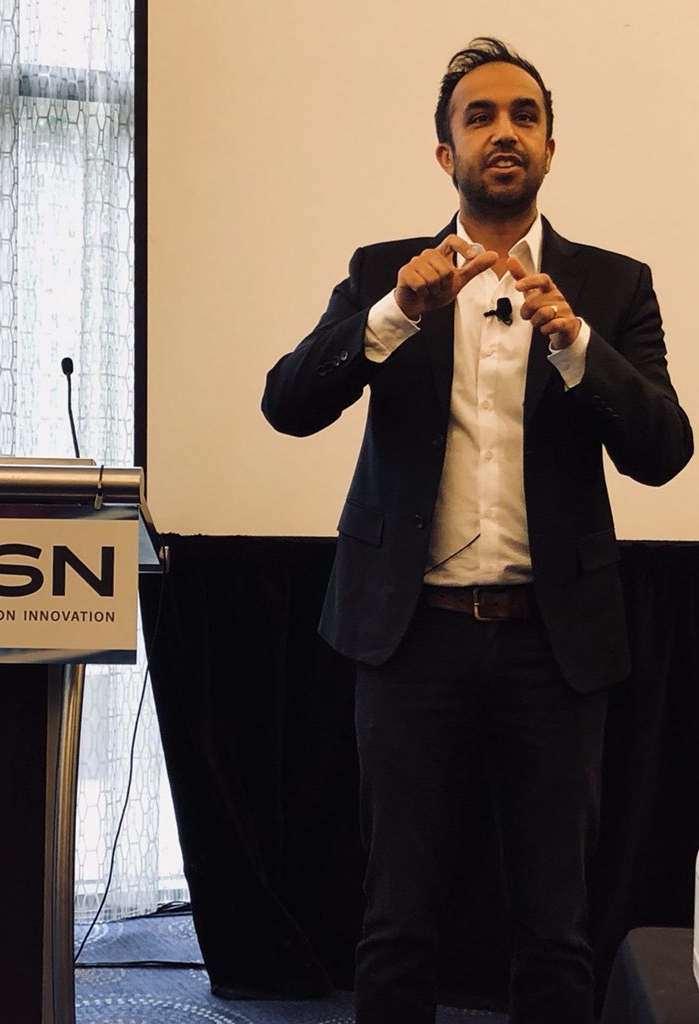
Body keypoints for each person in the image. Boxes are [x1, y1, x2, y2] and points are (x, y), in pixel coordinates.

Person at [261, 36, 693, 1024]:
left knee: (554, 930)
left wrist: (577, 344)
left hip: (554, 646)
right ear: (444, 153)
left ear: (549, 149)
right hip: (409, 637)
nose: (504, 131)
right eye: (480, 116)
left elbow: (664, 451)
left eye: (523, 117)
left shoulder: (612, 285)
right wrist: (392, 314)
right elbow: (287, 404)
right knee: (396, 922)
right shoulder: (384, 272)